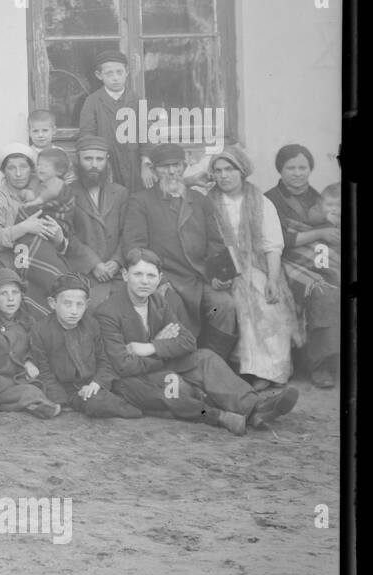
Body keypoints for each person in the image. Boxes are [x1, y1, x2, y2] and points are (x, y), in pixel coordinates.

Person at [95, 248, 298, 435]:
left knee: (205, 358)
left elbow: (187, 341)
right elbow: (123, 365)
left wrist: (151, 347)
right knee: (172, 385)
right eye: (137, 274)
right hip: (129, 380)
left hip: (152, 363)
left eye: (150, 276)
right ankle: (222, 417)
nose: (144, 281)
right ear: (124, 275)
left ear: (159, 279)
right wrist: (163, 349)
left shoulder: (157, 301)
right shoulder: (109, 312)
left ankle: (255, 406)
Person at [123, 142, 237, 357]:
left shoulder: (200, 201)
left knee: (224, 305)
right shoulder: (141, 202)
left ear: (184, 167)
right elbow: (134, 247)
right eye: (164, 167)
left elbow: (215, 242)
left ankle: (214, 361)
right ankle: (183, 368)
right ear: (155, 171)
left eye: (176, 165)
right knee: (172, 306)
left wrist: (217, 275)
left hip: (199, 277)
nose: (172, 171)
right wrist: (157, 279)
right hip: (165, 278)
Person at [207, 145, 301, 387]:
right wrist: (216, 274)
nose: (223, 175)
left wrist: (272, 279)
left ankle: (268, 372)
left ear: (242, 171)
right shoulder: (207, 202)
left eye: (230, 169)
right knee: (233, 301)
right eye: (217, 170)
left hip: (256, 266)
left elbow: (272, 245)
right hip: (221, 269)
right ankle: (244, 369)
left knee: (264, 302)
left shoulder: (260, 202)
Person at [264, 145, 340, 388]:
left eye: (302, 167)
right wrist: (320, 232)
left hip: (318, 256)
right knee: (322, 291)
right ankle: (320, 366)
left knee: (337, 284)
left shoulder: (320, 197)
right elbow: (279, 239)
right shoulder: (270, 199)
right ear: (280, 170)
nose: (297, 173)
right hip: (286, 260)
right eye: (291, 168)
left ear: (310, 169)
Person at [29, 273, 142, 418]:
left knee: (136, 388)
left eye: (79, 304)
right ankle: (137, 412)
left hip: (95, 383)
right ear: (52, 303)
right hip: (70, 391)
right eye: (67, 304)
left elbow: (104, 360)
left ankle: (153, 409)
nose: (74, 311)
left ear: (87, 305)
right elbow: (44, 372)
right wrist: (64, 399)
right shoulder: (40, 331)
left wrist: (96, 383)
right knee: (97, 403)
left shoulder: (92, 325)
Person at [0, 143, 73, 319]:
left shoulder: (47, 189)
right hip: (14, 268)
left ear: (32, 169)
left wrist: (59, 238)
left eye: (23, 167)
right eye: (12, 168)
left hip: (46, 262)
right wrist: (24, 227)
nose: (18, 174)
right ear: (4, 171)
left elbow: (67, 232)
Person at [0, 268, 60, 418]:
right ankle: (33, 403)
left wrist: (29, 361)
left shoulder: (27, 321)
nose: (11, 299)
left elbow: (34, 347)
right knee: (29, 392)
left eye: (15, 293)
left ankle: (30, 404)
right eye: (4, 293)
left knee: (51, 389)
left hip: (22, 377)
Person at [65, 136, 129, 304]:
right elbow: (66, 235)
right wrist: (94, 264)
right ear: (77, 160)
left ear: (107, 161)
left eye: (99, 159)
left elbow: (128, 233)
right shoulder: (66, 193)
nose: (94, 164)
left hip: (117, 275)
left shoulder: (120, 193)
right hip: (83, 274)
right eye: (88, 158)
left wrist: (116, 261)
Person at [76, 50, 152, 192]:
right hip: (107, 163)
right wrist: (98, 163)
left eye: (119, 72)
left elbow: (145, 134)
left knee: (136, 200)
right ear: (99, 75)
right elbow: (87, 136)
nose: (115, 78)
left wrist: (145, 162)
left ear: (127, 72)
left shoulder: (136, 100)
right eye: (109, 74)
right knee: (110, 199)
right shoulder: (92, 101)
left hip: (133, 162)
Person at [27, 109, 74, 185]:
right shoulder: (27, 154)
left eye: (45, 130)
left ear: (54, 130)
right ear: (29, 132)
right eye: (35, 131)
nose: (40, 135)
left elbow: (69, 177)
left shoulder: (60, 153)